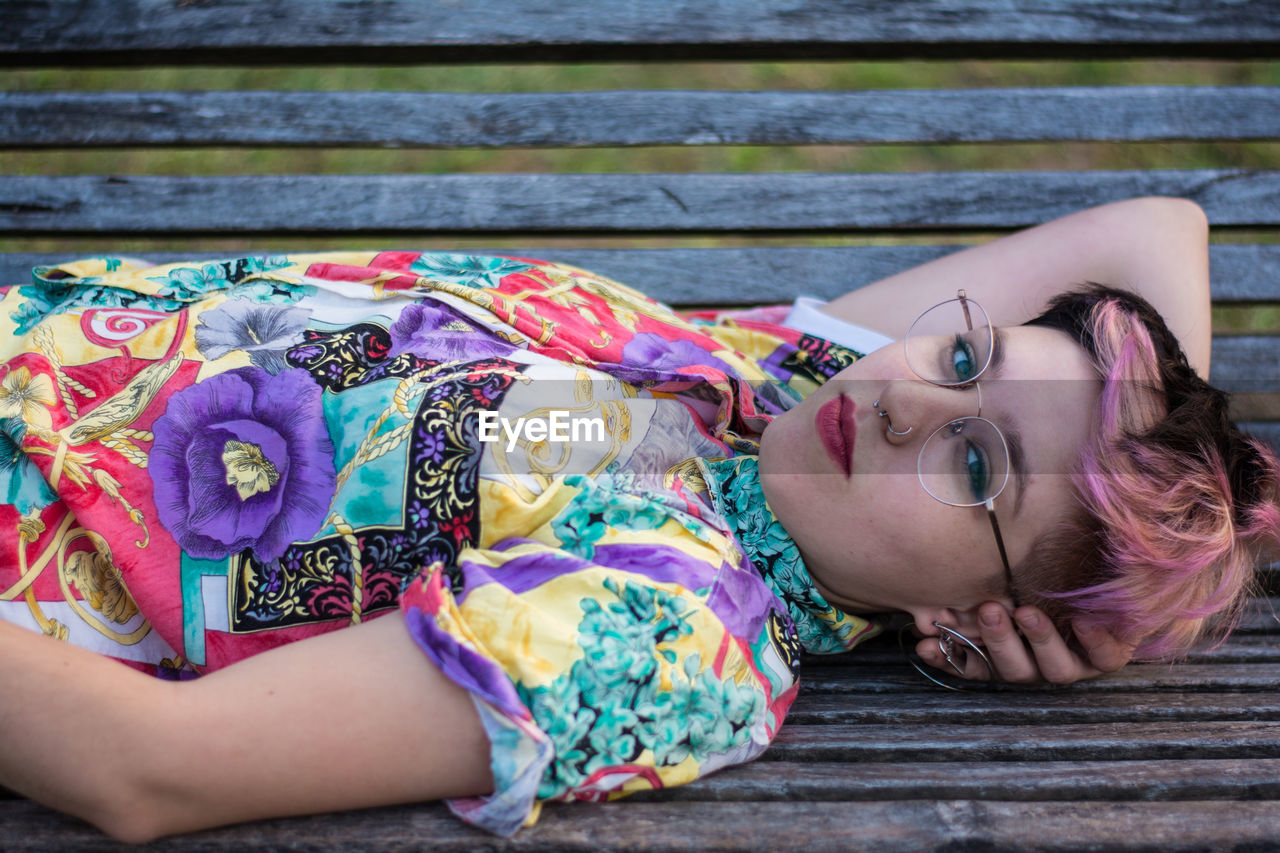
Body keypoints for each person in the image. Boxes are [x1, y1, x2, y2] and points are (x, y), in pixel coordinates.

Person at [0, 197, 1275, 842]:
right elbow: (1157, 232)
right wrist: (1176, 513)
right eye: (959, 364)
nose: (896, 407)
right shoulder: (754, 384)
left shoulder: (677, 625)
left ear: (964, 615)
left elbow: (144, 769)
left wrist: (1109, 586)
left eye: (977, 467)